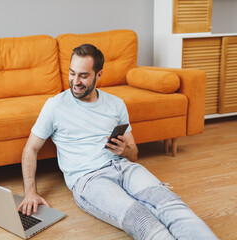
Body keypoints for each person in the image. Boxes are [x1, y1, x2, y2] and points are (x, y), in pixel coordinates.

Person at [17, 44, 218, 239]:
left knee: (171, 205)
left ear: (99, 74)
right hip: (89, 179)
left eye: (83, 75)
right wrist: (30, 193)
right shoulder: (55, 106)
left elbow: (134, 154)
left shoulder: (116, 104)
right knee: (141, 219)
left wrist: (125, 151)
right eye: (72, 73)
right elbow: (30, 150)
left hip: (126, 168)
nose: (75, 81)